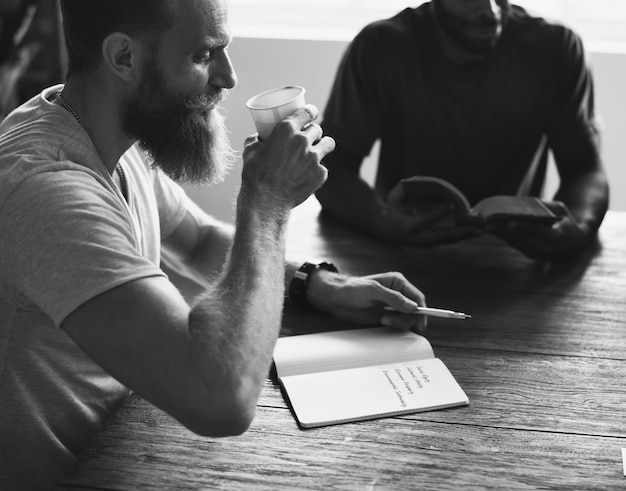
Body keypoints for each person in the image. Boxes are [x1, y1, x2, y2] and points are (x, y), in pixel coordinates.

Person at [0, 0, 431, 488]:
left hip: (131, 447)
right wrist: (265, 204)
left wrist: (319, 284)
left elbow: (197, 241)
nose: (228, 77)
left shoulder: (105, 134)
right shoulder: (46, 187)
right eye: (204, 55)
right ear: (124, 57)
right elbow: (219, 397)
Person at [316, 0, 609, 260]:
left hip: (513, 260)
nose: (490, 10)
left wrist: (578, 228)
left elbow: (585, 170)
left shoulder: (557, 47)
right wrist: (382, 220)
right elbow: (332, 168)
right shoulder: (381, 45)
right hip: (402, 257)